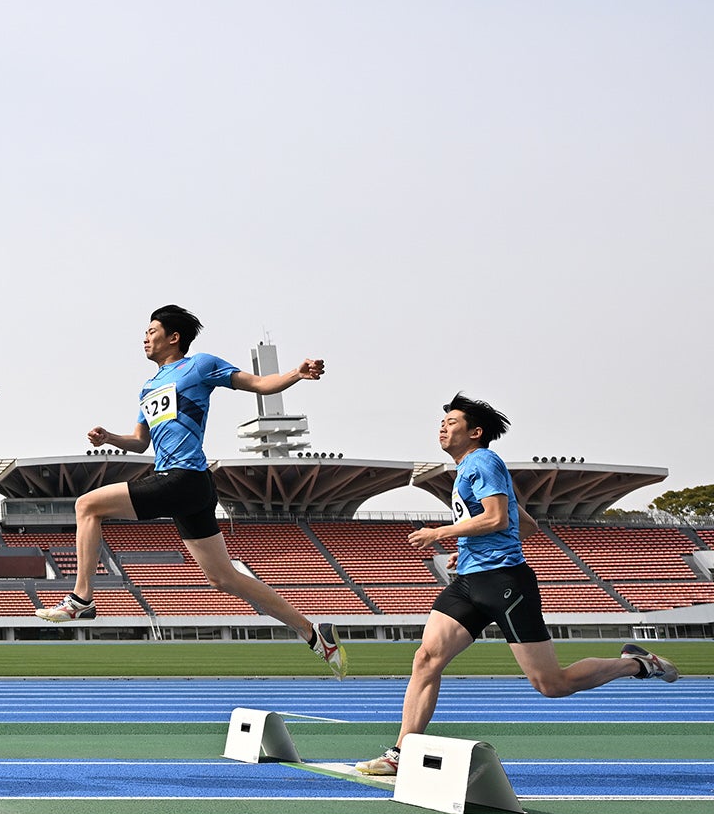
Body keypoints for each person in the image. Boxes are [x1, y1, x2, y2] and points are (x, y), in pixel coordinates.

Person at [354, 394, 678, 774]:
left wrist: (442, 532)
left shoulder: (484, 461)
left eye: (452, 422)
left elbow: (495, 518)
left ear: (475, 432)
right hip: (470, 581)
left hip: (505, 582)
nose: (443, 427)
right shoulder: (466, 470)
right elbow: (526, 525)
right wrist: (469, 548)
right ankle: (400, 754)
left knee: (551, 684)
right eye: (442, 422)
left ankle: (636, 665)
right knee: (426, 659)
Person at [40, 304, 347, 677]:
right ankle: (314, 633)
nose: (145, 337)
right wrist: (109, 438)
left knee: (87, 505)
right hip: (188, 486)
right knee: (224, 579)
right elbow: (140, 442)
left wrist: (296, 374)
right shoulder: (149, 387)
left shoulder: (200, 365)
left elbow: (258, 384)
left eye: (152, 331)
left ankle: (81, 599)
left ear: (174, 337)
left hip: (183, 477)